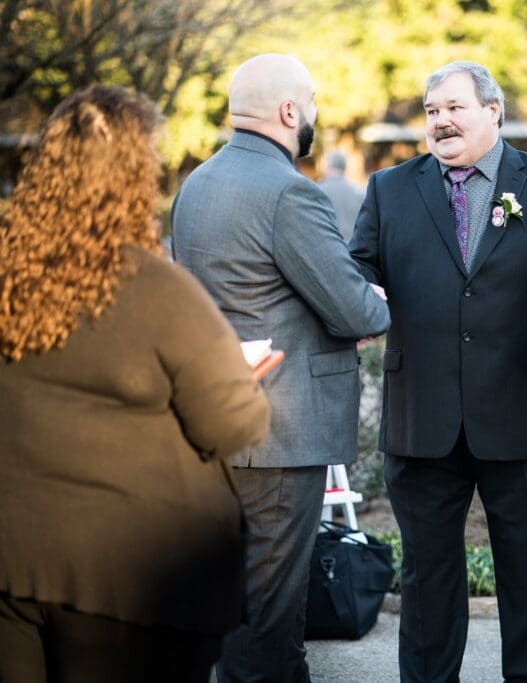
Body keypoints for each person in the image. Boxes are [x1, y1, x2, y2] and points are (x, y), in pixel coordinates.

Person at [0, 85, 270, 682]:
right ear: (135, 176)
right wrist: (243, 381)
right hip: (130, 578)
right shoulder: (157, 291)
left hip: (12, 560)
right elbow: (232, 423)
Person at [348, 60, 527, 683]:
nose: (440, 121)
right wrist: (357, 306)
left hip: (524, 408)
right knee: (426, 584)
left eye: (454, 107)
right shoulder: (390, 188)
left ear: (493, 110)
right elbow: (355, 277)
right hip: (421, 415)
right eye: (431, 111)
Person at [172, 54, 390, 682]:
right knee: (268, 611)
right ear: (290, 112)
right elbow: (353, 310)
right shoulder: (290, 192)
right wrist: (371, 301)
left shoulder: (198, 183)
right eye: (313, 102)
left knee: (244, 600)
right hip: (278, 433)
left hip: (218, 420)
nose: (316, 114)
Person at [319, 151, 364, 241]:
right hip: (353, 246)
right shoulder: (359, 191)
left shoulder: (319, 190)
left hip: (330, 246)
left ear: (329, 167)